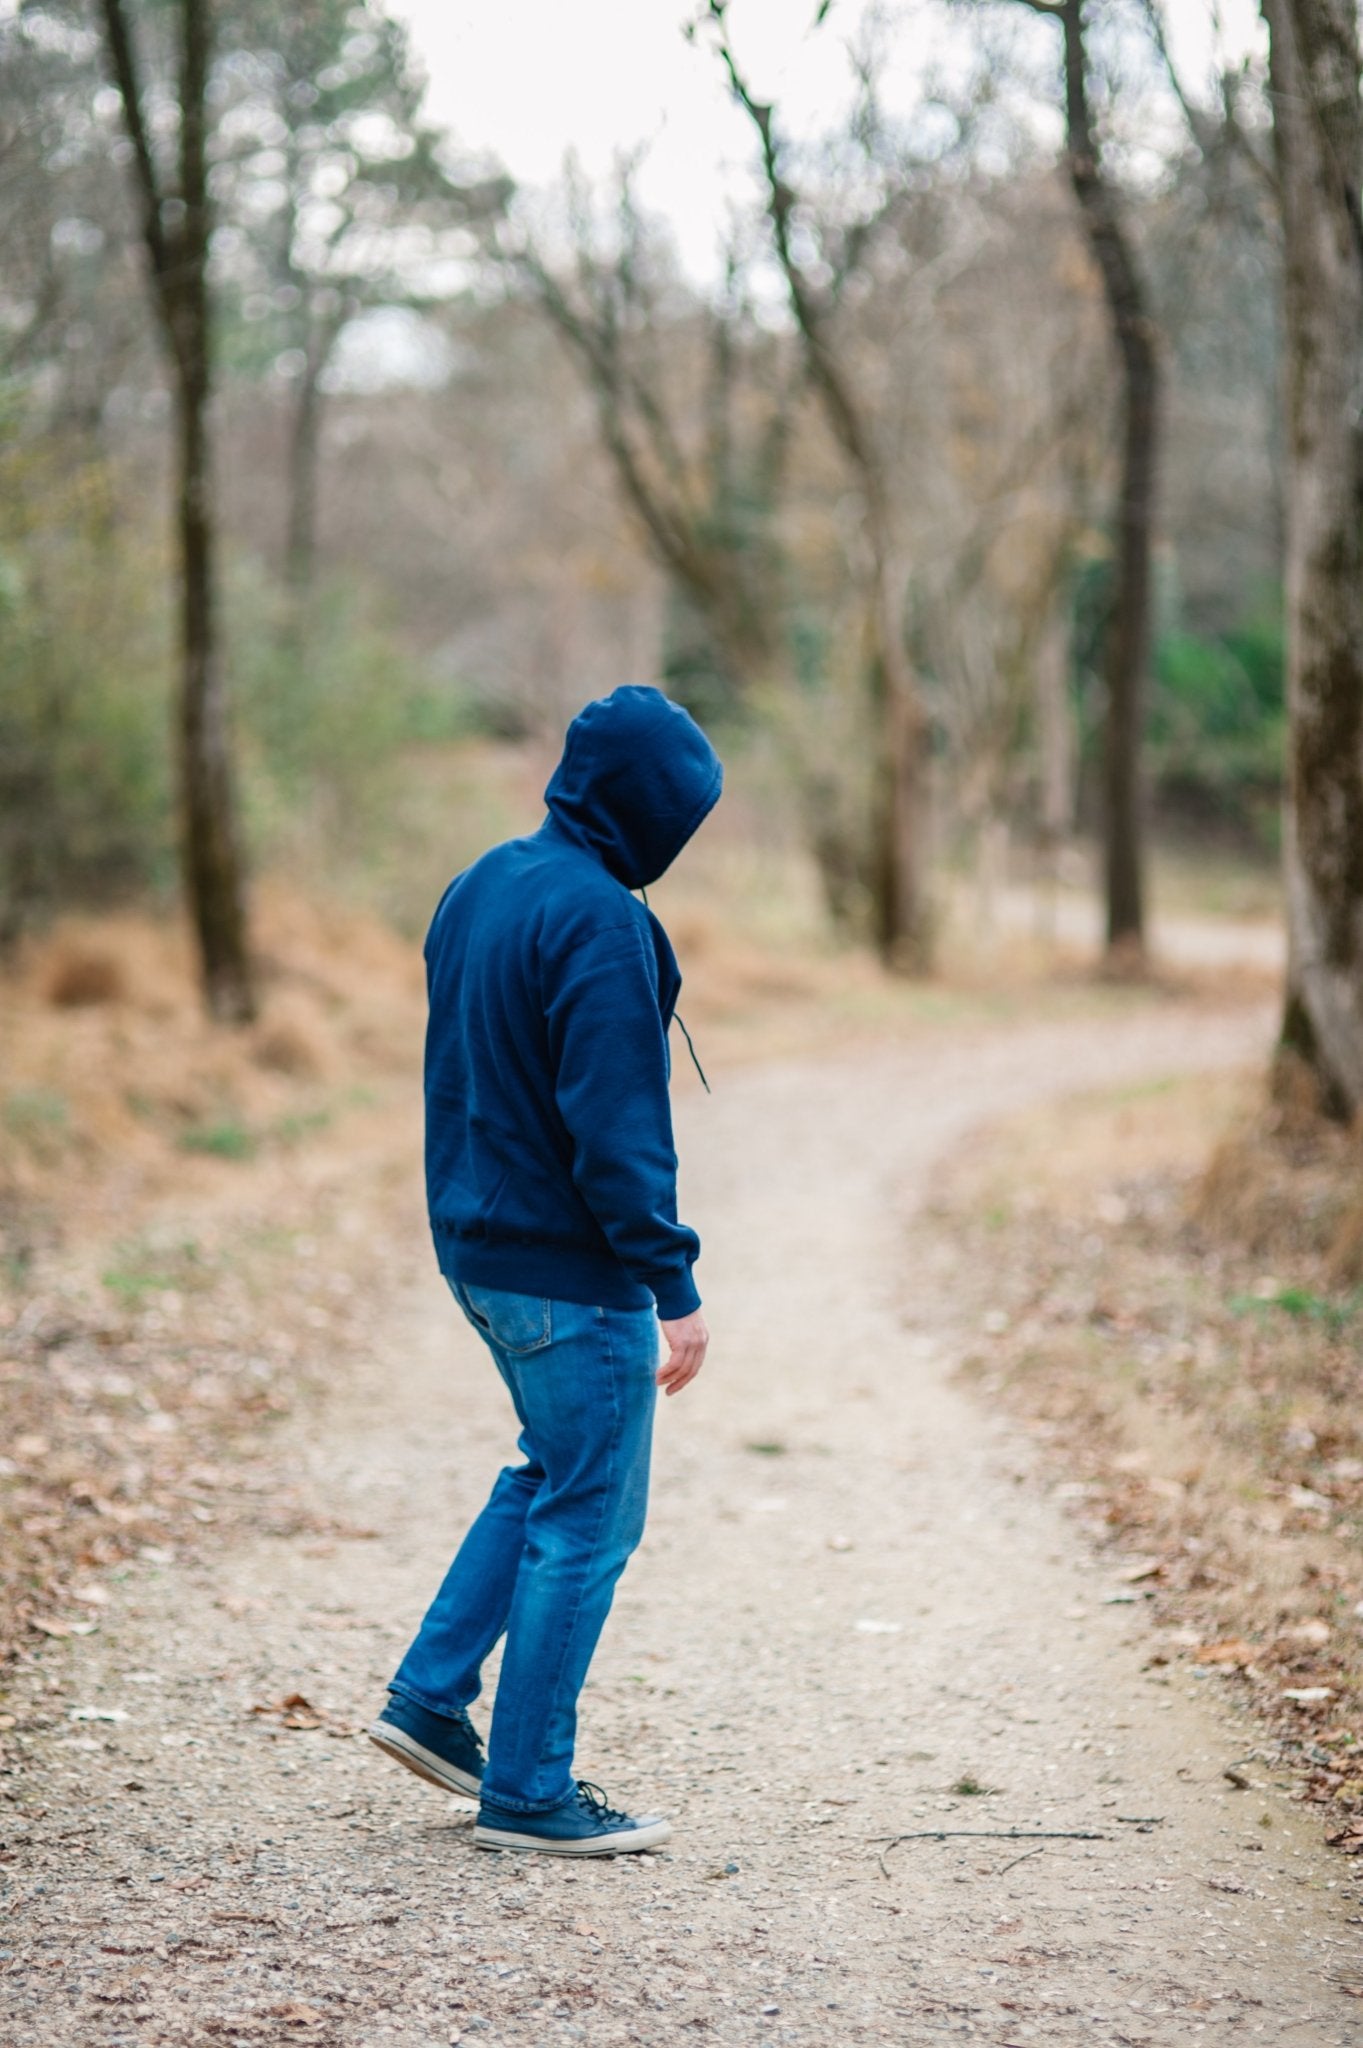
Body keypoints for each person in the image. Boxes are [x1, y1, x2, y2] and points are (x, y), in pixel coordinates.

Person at [369, 684, 721, 1857]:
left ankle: (429, 1697)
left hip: (476, 1246)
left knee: (550, 1465)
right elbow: (617, 1129)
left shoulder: (484, 881)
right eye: (683, 816)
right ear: (645, 810)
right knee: (590, 1511)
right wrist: (671, 1283)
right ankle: (527, 1788)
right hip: (567, 1272)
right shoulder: (602, 923)